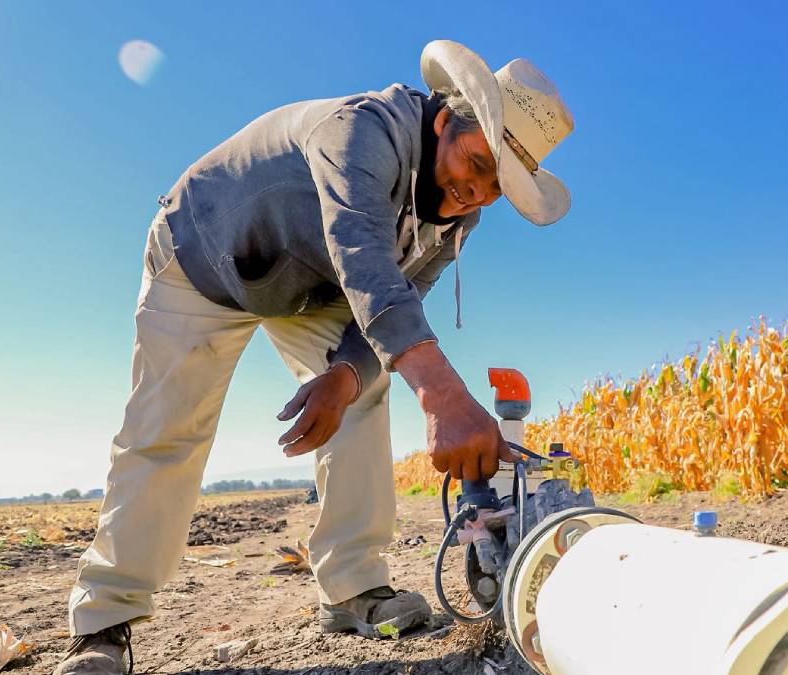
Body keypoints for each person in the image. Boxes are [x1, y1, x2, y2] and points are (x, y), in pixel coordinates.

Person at [55, 40, 574, 675]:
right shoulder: (361, 129)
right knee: (167, 429)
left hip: (317, 287)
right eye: (476, 162)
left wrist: (345, 375)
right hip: (207, 257)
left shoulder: (459, 215)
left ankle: (354, 588)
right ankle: (104, 618)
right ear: (445, 121)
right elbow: (363, 254)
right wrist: (443, 395)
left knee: (365, 390)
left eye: (498, 186)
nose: (476, 190)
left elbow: (404, 293)